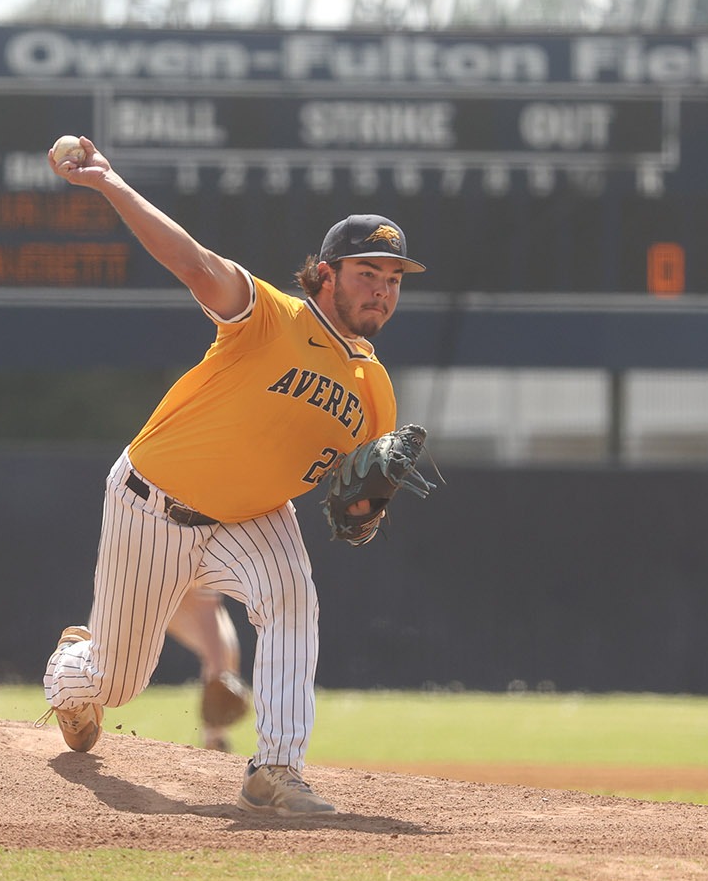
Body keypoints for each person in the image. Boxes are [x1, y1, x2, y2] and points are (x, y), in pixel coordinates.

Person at [40, 134, 425, 816]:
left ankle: (276, 767)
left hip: (252, 514)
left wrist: (367, 512)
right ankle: (76, 667)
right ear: (328, 274)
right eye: (370, 273)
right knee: (117, 680)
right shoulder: (269, 316)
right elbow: (190, 261)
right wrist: (109, 182)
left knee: (292, 597)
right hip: (150, 504)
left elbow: (358, 493)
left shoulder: (375, 388)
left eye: (393, 280)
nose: (384, 291)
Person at [166, 588, 252, 753]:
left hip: (191, 593)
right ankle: (214, 737)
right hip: (155, 593)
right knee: (222, 653)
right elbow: (207, 608)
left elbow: (209, 603)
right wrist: (218, 674)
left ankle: (215, 738)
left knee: (228, 652)